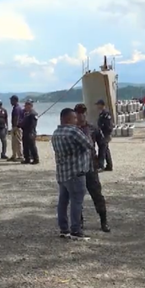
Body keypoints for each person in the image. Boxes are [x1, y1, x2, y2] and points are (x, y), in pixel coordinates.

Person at [51, 108, 94, 240]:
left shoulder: (56, 132)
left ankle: (64, 229)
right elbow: (89, 145)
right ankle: (76, 229)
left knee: (63, 202)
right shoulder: (74, 131)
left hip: (62, 173)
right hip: (76, 172)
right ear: (68, 118)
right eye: (74, 118)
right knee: (76, 202)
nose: (77, 120)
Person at [75, 104, 110, 233]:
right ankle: (79, 222)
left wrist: (101, 160)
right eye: (78, 113)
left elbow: (103, 143)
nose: (81, 115)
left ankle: (104, 221)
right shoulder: (72, 129)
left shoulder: (92, 128)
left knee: (97, 195)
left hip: (91, 167)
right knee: (77, 196)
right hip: (77, 168)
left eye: (83, 113)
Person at [95, 99, 113, 171]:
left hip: (104, 134)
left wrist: (107, 134)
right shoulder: (102, 113)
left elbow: (108, 125)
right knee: (106, 150)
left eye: (98, 105)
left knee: (102, 150)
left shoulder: (106, 114)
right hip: (102, 134)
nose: (97, 106)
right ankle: (109, 165)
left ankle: (100, 165)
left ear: (102, 105)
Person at [20, 99, 39, 164]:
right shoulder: (27, 114)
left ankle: (35, 159)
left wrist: (31, 133)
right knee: (25, 146)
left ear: (30, 105)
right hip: (25, 131)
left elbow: (33, 124)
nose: (25, 106)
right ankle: (27, 159)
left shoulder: (33, 114)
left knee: (32, 146)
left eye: (27, 105)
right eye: (25, 105)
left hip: (30, 132)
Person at [8, 95, 24, 161]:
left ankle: (20, 156)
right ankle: (14, 155)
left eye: (11, 100)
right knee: (14, 142)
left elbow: (16, 118)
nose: (10, 102)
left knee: (18, 141)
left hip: (17, 127)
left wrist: (15, 127)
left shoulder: (17, 108)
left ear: (15, 100)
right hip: (16, 126)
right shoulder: (17, 107)